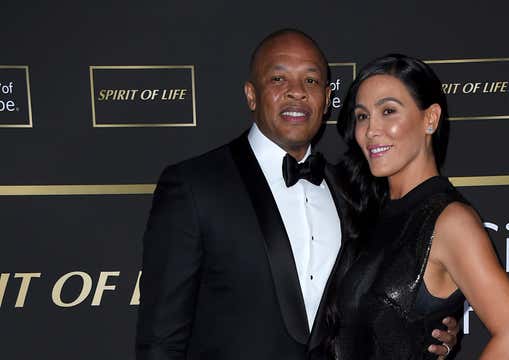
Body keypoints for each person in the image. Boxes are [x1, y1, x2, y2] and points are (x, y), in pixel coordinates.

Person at [135, 30, 458, 360]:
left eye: (311, 81)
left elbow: (385, 295)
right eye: (278, 78)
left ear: (327, 97)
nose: (297, 93)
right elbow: (160, 341)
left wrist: (428, 326)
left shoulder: (351, 193)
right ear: (251, 94)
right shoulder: (194, 186)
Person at [330, 54, 509, 359]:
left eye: (389, 111)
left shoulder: (450, 220)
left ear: (430, 119)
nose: (371, 129)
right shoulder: (374, 213)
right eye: (362, 116)